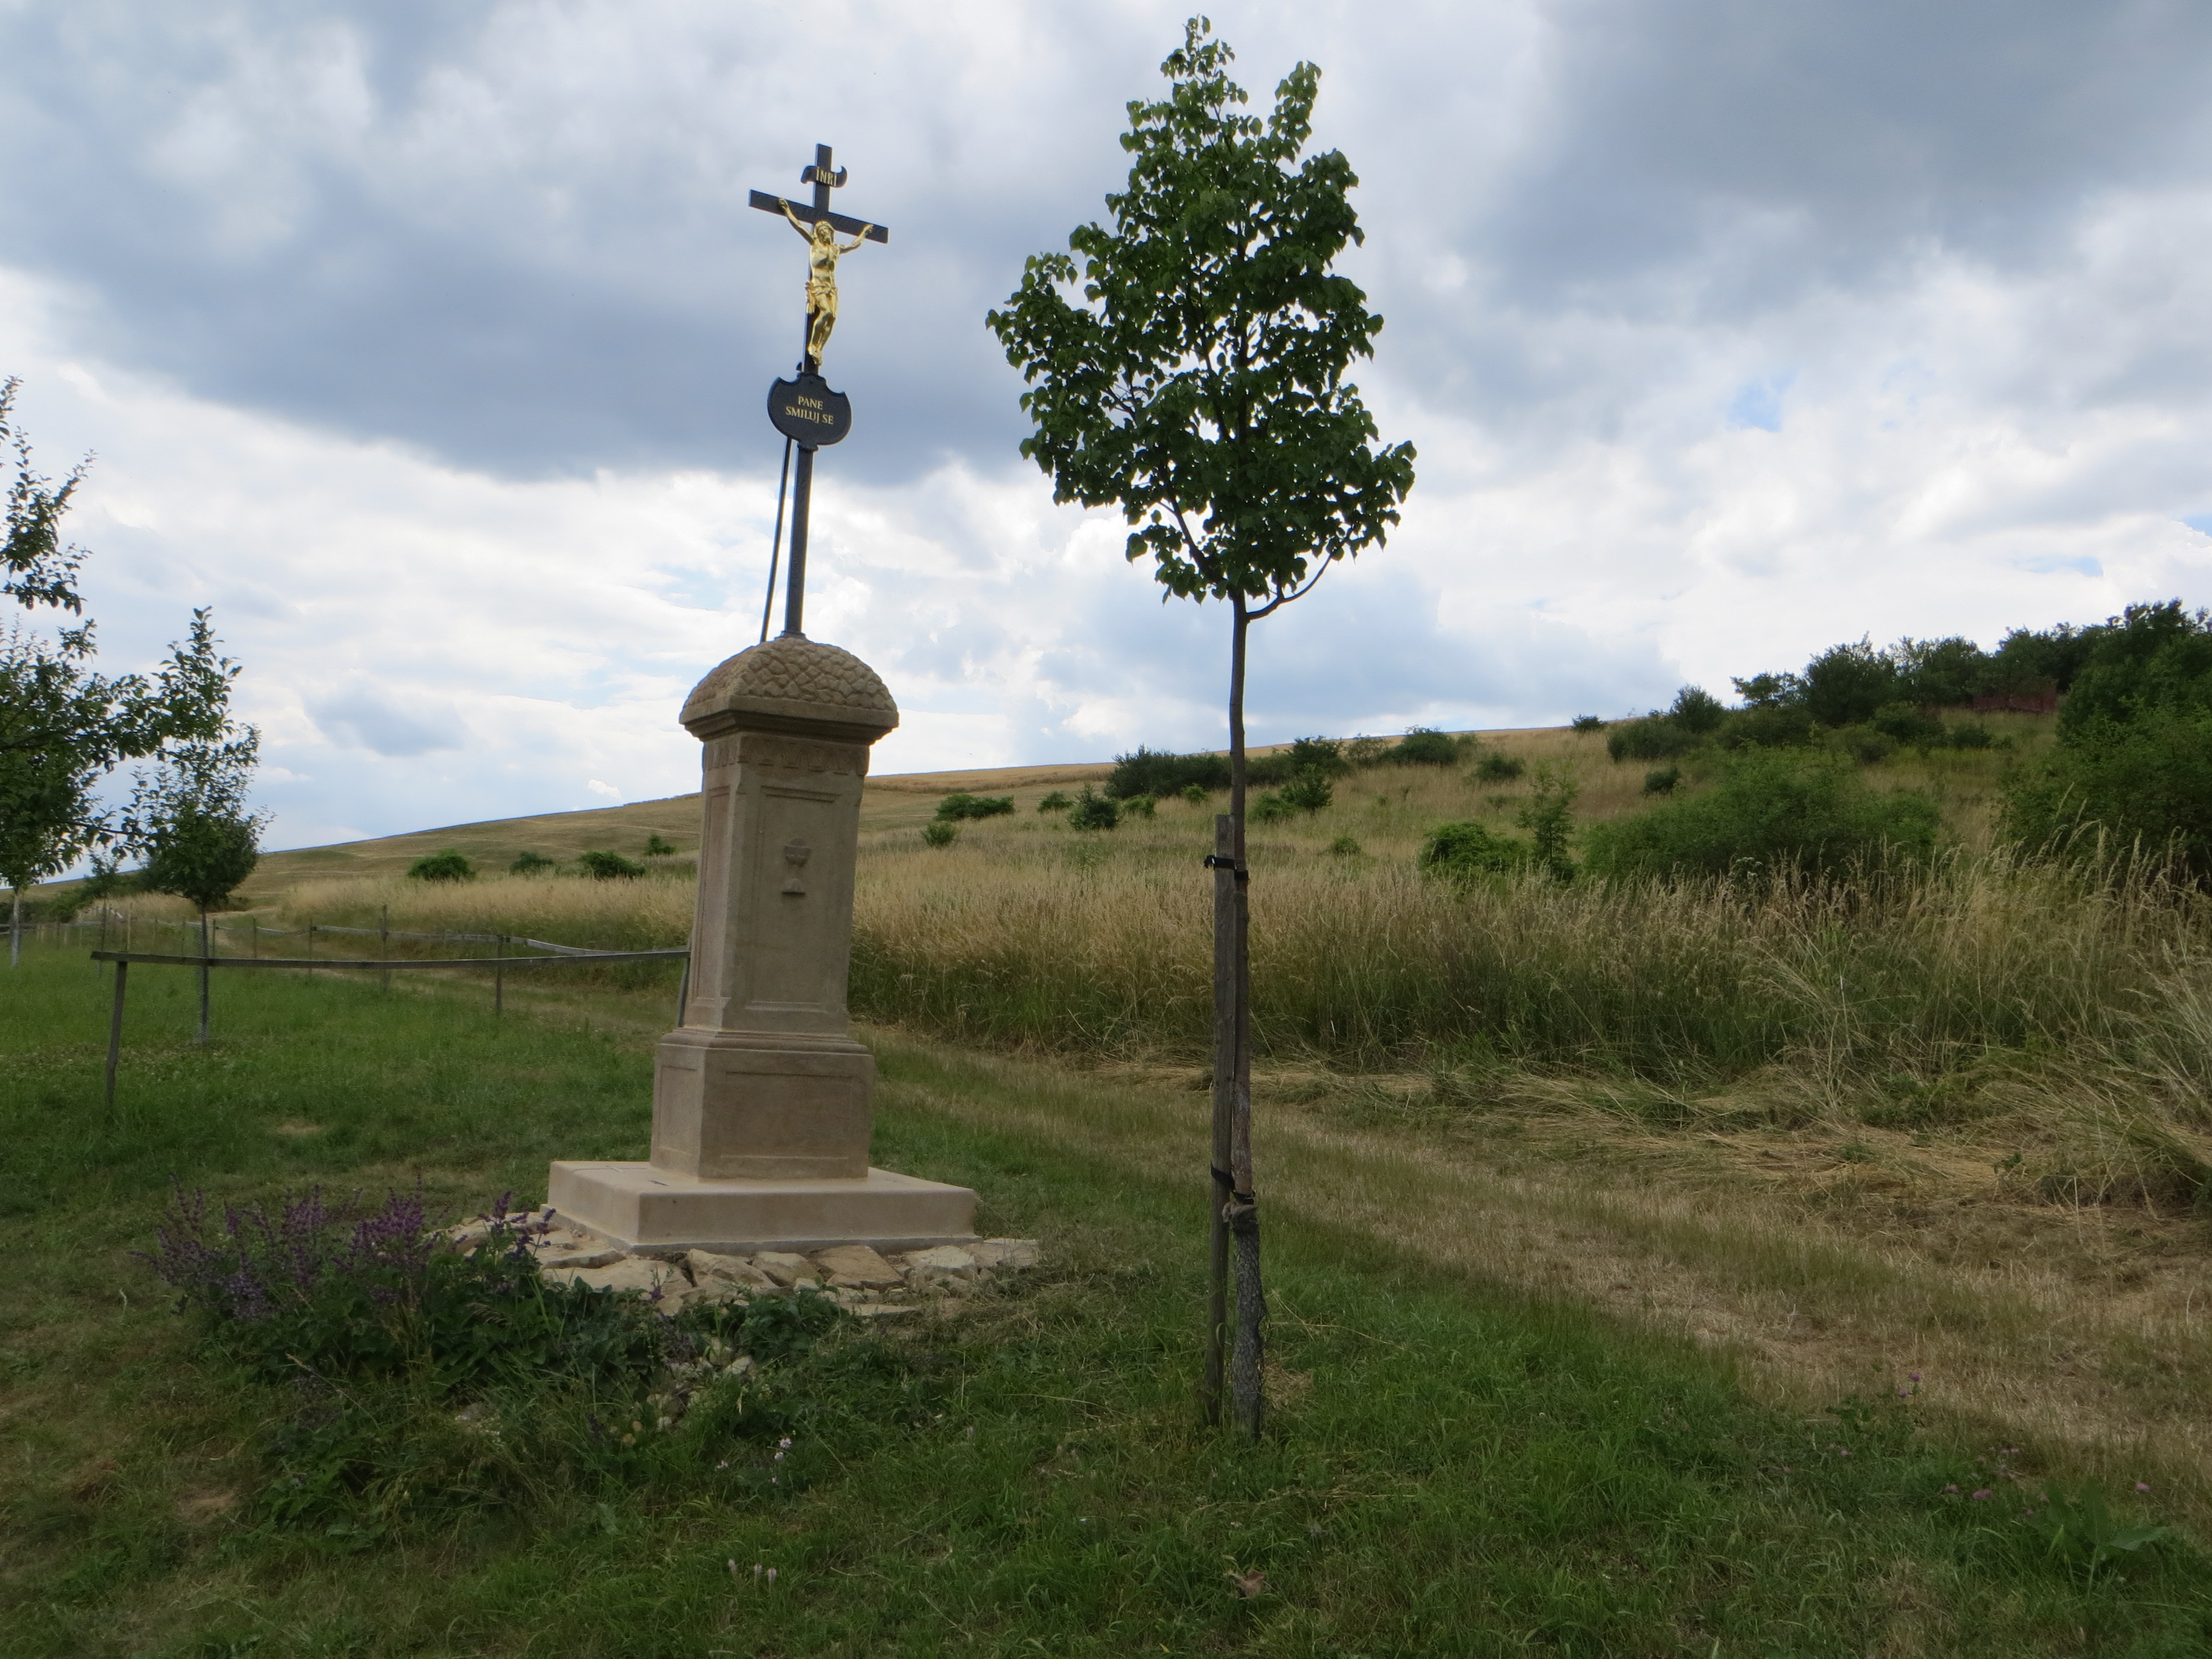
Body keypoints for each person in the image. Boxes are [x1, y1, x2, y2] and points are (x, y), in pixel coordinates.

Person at [779, 202, 873, 367]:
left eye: (827, 231)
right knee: (826, 312)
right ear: (819, 234)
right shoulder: (815, 244)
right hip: (818, 286)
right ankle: (813, 345)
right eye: (822, 232)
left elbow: (854, 245)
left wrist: (864, 234)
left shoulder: (836, 249)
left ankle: (820, 348)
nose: (825, 234)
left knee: (832, 318)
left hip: (831, 288)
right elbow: (799, 227)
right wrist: (787, 210)